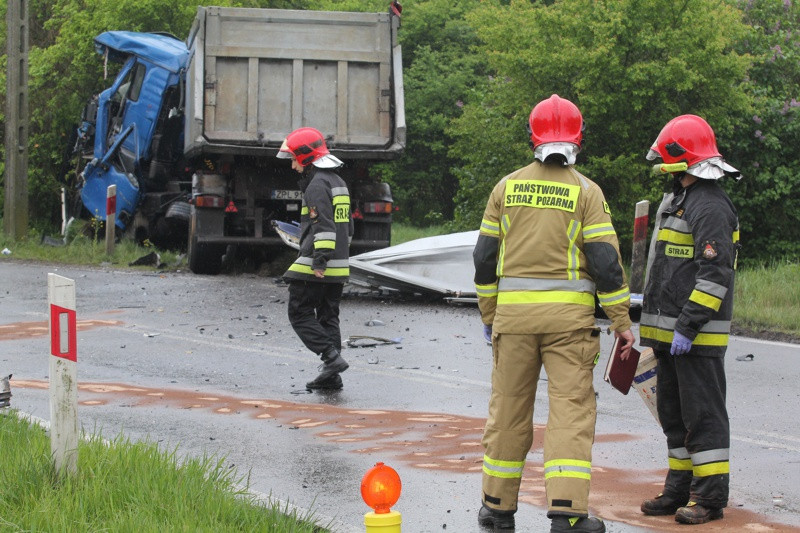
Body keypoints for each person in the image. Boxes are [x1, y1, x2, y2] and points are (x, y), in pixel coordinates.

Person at [473, 94, 635, 533]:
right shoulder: (587, 192)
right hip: (570, 329)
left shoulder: (505, 188)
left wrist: (490, 315)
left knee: (507, 411)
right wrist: (621, 322)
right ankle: (566, 513)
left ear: (532, 136)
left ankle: (497, 507)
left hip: (514, 325)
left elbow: (484, 260)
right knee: (570, 414)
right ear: (578, 138)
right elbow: (605, 263)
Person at [638, 114, 741, 525]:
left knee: (704, 418)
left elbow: (715, 276)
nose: (663, 165)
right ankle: (679, 490)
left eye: (668, 158)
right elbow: (667, 270)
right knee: (675, 418)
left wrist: (688, 326)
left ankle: (710, 499)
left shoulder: (710, 205)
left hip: (695, 337)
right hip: (671, 337)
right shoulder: (679, 199)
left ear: (686, 158)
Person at [277, 127, 353, 390]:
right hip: (339, 261)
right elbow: (347, 227)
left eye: (293, 159)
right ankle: (332, 378)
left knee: (298, 312)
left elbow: (324, 226)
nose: (292, 165)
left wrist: (319, 261)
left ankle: (330, 358)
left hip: (321, 262)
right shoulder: (337, 181)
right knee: (328, 316)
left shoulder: (316, 185)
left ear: (305, 157)